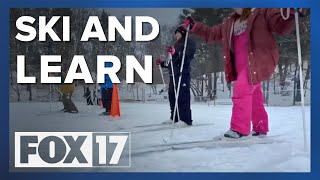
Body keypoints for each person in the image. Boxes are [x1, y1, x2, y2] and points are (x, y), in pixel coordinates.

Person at [184, 8, 303, 138]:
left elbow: (281, 26)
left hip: (258, 60)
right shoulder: (229, 22)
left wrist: (289, 13)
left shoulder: (262, 12)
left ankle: (239, 129)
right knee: (254, 97)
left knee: (241, 88)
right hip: (240, 66)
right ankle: (260, 127)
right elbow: (212, 33)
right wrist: (195, 26)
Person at [156, 25, 196, 126]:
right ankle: (175, 117)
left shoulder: (188, 42)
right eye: (175, 34)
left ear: (182, 33)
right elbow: (172, 62)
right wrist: (162, 63)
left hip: (183, 74)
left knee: (182, 96)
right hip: (174, 75)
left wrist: (176, 52)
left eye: (177, 33)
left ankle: (185, 119)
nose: (176, 35)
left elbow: (188, 56)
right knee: (172, 96)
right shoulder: (176, 45)